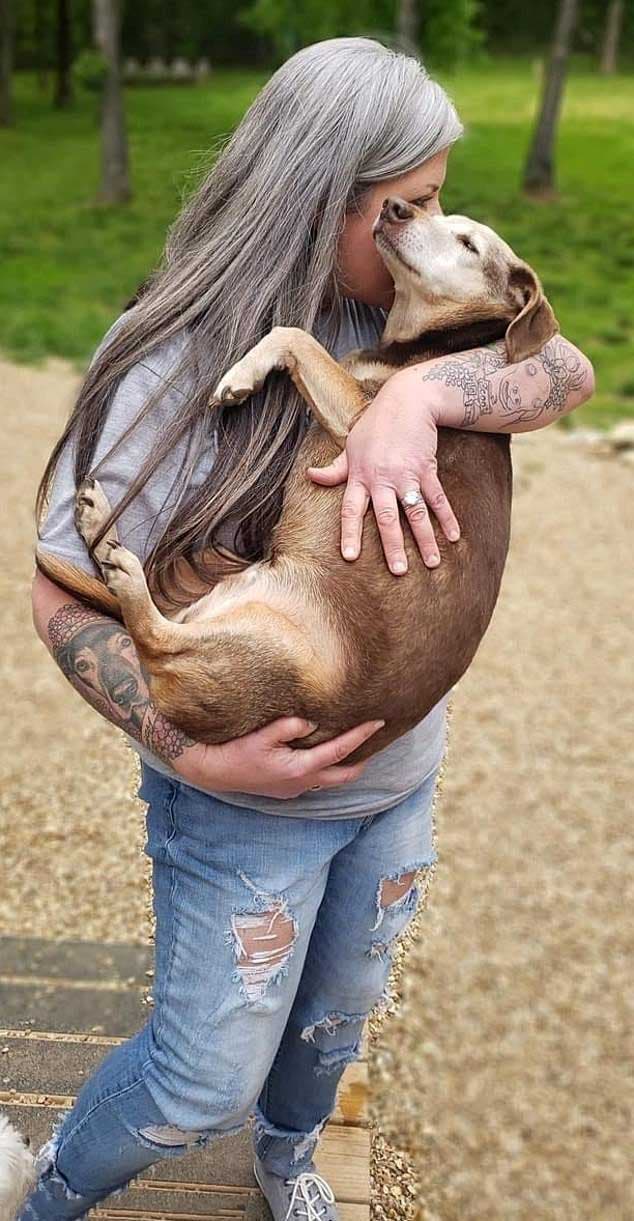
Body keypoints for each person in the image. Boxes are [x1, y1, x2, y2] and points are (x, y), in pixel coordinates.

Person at [22, 36, 594, 1221]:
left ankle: (287, 1161)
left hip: (395, 782)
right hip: (239, 804)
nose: (427, 226)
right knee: (197, 1079)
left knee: (333, 1023)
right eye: (410, 204)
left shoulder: (422, 332)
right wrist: (190, 753)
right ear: (316, 194)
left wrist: (423, 401)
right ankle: (49, 1193)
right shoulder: (166, 367)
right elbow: (58, 594)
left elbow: (565, 367)